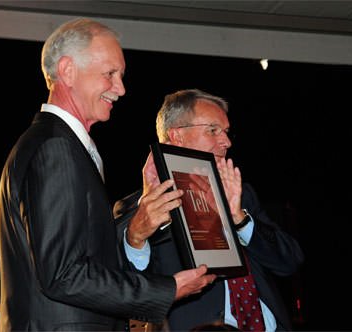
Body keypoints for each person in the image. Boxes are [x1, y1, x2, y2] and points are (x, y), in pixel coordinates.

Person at [0, 19, 215, 331]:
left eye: (121, 76)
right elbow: (62, 275)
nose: (121, 88)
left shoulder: (61, 144)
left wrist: (138, 224)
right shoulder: (55, 147)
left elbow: (86, 260)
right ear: (68, 70)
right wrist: (166, 290)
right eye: (110, 74)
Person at [114, 89, 305, 331]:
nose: (227, 142)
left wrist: (240, 220)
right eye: (213, 130)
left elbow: (289, 261)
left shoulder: (240, 193)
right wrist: (138, 232)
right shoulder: (139, 207)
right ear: (177, 136)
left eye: (225, 132)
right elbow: (124, 284)